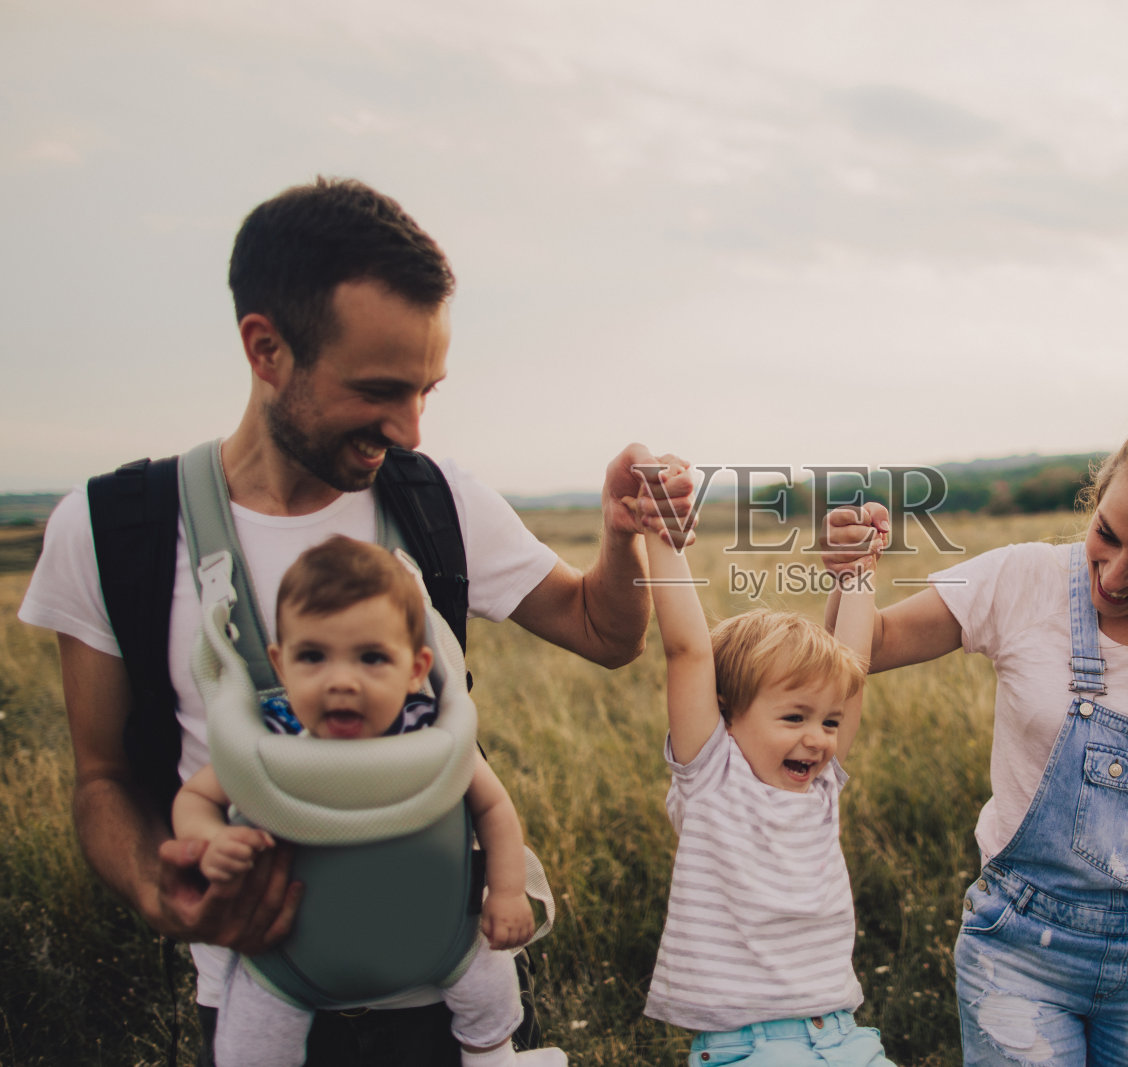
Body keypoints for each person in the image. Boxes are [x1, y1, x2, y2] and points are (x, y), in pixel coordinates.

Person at [18, 177, 691, 1066]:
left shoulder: (435, 496)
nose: (410, 429)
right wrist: (159, 889)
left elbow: (605, 636)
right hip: (268, 1008)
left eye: (426, 390)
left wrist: (618, 536)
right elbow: (101, 780)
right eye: (379, 389)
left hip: (456, 1002)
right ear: (266, 349)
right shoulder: (112, 532)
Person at [822, 405, 1128, 1065]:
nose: (1114, 574)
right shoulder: (1019, 579)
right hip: (1018, 950)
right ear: (1097, 494)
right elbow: (865, 647)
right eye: (1107, 533)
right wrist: (852, 571)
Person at [173, 536, 558, 1067]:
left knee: (491, 983)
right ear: (280, 666)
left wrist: (509, 892)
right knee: (251, 1037)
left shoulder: (430, 734)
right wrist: (209, 840)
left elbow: (495, 808)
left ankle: (491, 1056)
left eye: (372, 658)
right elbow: (194, 797)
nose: (342, 682)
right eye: (313, 657)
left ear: (417, 668)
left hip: (441, 937)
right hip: (287, 956)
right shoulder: (269, 739)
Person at [633, 458, 897, 1066]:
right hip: (748, 1049)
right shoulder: (712, 776)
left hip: (843, 1037)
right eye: (794, 718)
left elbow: (851, 669)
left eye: (828, 722)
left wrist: (858, 574)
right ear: (727, 716)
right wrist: (661, 536)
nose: (819, 739)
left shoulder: (820, 785)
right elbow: (687, 651)